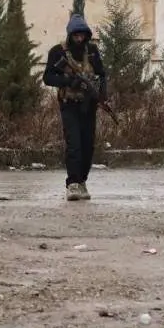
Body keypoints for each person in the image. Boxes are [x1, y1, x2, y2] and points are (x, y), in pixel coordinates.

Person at [43, 14, 108, 201]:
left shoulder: (93, 51)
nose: (79, 39)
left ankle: (82, 181)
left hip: (89, 105)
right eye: (76, 35)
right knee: (74, 145)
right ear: (70, 35)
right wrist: (70, 81)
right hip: (69, 105)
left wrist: (103, 96)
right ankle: (72, 183)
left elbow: (102, 75)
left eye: (82, 35)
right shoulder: (58, 52)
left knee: (88, 145)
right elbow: (48, 77)